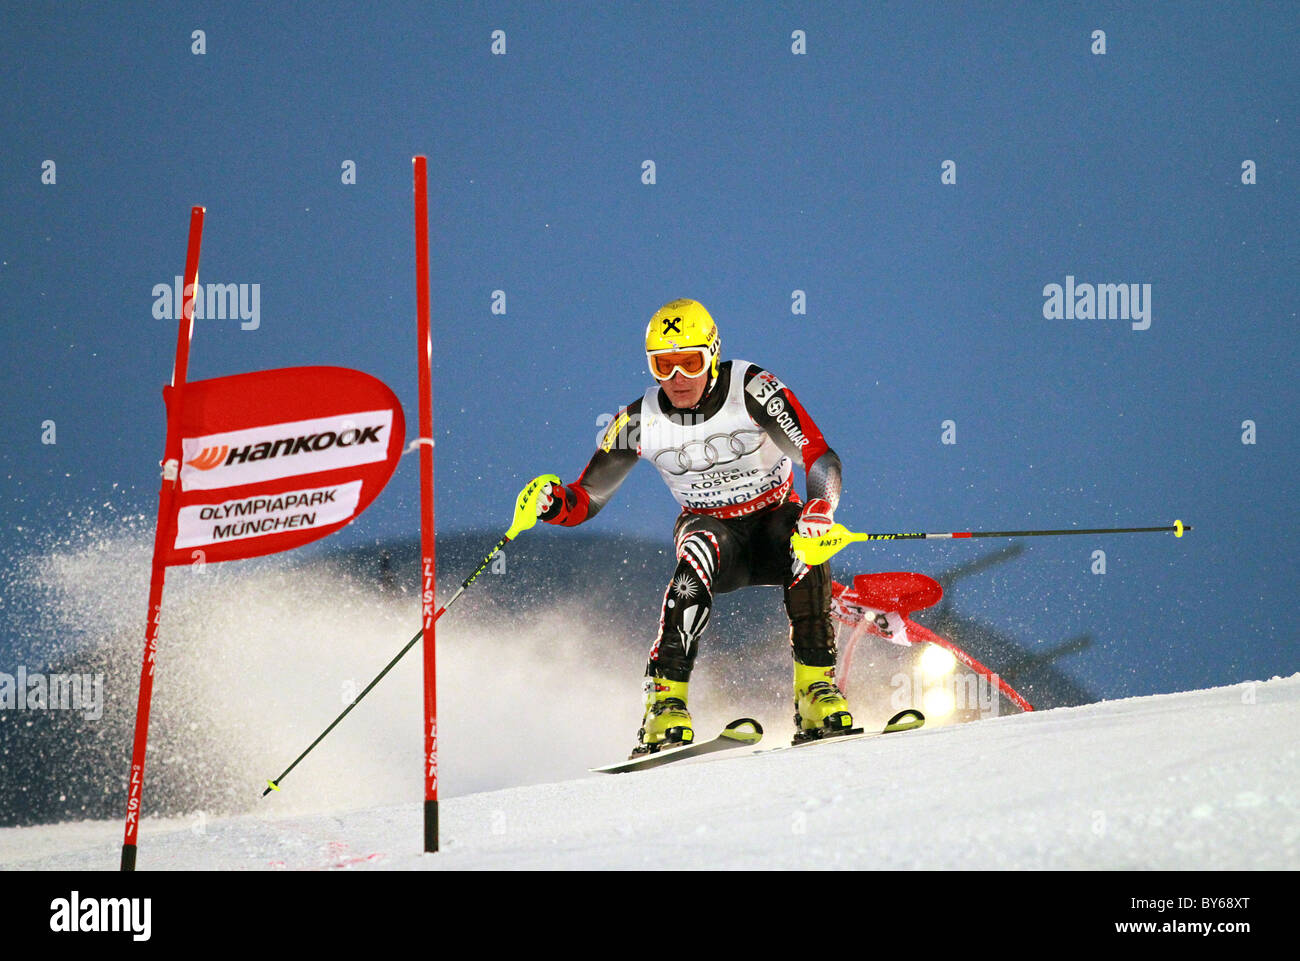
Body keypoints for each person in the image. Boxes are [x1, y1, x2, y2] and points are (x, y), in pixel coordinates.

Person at [535, 298, 849, 754]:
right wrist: (551, 503)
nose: (677, 378)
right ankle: (665, 701)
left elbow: (819, 455)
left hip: (774, 524)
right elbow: (585, 500)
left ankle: (816, 691)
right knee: (699, 548)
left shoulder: (753, 388)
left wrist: (822, 507)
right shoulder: (638, 420)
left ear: (713, 355)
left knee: (806, 538)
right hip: (714, 532)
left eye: (690, 362)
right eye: (663, 366)